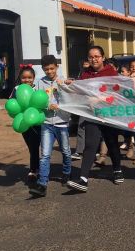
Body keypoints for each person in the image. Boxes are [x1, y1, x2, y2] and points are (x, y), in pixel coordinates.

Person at [64, 46, 124, 192]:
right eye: (91, 57)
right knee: (90, 145)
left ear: (103, 57)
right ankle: (83, 179)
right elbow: (80, 92)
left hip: (109, 115)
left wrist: (100, 99)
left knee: (112, 143)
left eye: (97, 56)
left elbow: (118, 94)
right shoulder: (86, 74)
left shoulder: (111, 72)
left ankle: (117, 169)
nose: (94, 59)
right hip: (92, 115)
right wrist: (70, 85)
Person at [29, 55, 73, 197]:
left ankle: (66, 173)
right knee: (45, 155)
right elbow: (36, 101)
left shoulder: (64, 80)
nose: (49, 71)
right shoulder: (39, 83)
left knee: (65, 151)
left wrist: (64, 86)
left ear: (57, 67)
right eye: (46, 69)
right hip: (46, 123)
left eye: (52, 68)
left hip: (62, 123)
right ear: (43, 69)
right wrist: (48, 106)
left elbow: (71, 98)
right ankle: (42, 184)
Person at [10, 65, 40, 186]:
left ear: (33, 78)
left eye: (29, 77)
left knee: (35, 146)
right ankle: (36, 168)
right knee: (31, 147)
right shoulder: (16, 89)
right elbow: (12, 104)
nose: (27, 80)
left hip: (37, 122)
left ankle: (34, 170)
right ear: (20, 78)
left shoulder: (38, 89)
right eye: (24, 78)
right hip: (23, 123)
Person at [71, 59, 92, 160]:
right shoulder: (81, 75)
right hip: (84, 106)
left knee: (96, 130)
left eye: (87, 65)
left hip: (96, 106)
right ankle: (79, 151)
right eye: (84, 66)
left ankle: (97, 151)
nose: (86, 67)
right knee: (81, 127)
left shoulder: (95, 75)